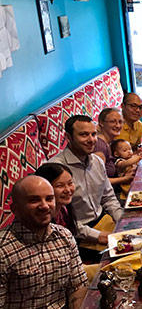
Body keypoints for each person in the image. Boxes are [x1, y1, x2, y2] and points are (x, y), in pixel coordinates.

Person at [0, 175, 87, 308]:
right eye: (34, 200)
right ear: (15, 209)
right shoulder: (3, 250)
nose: (45, 206)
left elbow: (77, 287)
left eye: (49, 199)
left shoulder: (64, 236)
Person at [50, 115, 123, 244]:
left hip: (104, 220)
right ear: (68, 137)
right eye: (84, 135)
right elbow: (60, 220)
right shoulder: (56, 169)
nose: (91, 140)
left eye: (94, 134)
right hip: (79, 235)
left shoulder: (97, 162)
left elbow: (108, 197)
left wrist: (121, 220)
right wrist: (98, 235)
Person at [94, 108, 135, 188]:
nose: (118, 125)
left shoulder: (110, 142)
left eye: (120, 122)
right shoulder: (100, 147)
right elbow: (98, 181)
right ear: (101, 123)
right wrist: (124, 179)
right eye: (113, 122)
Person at [35, 163, 78, 236]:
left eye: (70, 183)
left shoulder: (64, 209)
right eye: (60, 186)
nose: (67, 190)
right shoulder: (41, 218)